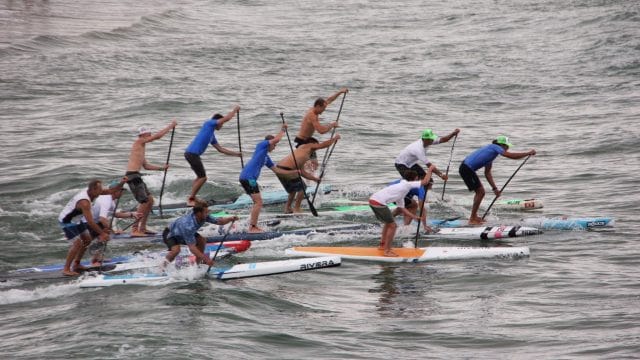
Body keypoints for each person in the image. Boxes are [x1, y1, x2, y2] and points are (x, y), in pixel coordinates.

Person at [459, 135, 536, 225]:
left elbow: (487, 173)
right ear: (502, 145)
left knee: (480, 192)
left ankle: (474, 217)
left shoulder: (491, 154)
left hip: (467, 168)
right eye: (507, 146)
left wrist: (495, 189)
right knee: (480, 192)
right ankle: (472, 219)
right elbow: (509, 155)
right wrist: (527, 153)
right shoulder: (495, 147)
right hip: (466, 168)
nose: (507, 148)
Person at [57, 178, 126, 276]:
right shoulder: (84, 202)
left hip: (78, 219)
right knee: (77, 243)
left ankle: (76, 264)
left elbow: (111, 191)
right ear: (93, 189)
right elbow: (90, 222)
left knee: (87, 240)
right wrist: (102, 233)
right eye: (99, 190)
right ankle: (66, 269)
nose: (101, 192)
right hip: (67, 221)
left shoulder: (92, 192)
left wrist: (122, 183)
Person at [239, 123, 300, 233]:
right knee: (258, 202)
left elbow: (277, 170)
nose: (275, 147)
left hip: (248, 178)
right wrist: (283, 130)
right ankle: (252, 227)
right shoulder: (261, 145)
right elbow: (276, 140)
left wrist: (293, 172)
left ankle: (252, 223)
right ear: (269, 143)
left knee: (257, 202)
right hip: (248, 178)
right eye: (274, 145)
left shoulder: (266, 157)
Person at [125, 120, 177, 236]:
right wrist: (170, 126)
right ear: (142, 135)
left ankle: (142, 228)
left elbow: (146, 166)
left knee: (150, 200)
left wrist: (161, 168)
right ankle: (134, 229)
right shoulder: (139, 141)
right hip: (132, 175)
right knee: (144, 202)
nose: (150, 135)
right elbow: (157, 137)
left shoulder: (141, 147)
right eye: (148, 133)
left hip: (136, 175)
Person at [369, 166, 434, 257]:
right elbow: (425, 182)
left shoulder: (402, 188)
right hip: (378, 203)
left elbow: (401, 208)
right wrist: (430, 169)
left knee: (389, 223)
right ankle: (387, 251)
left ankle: (382, 246)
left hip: (373, 200)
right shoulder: (407, 185)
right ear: (413, 179)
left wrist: (414, 216)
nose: (417, 180)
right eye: (416, 179)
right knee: (393, 226)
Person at [184, 105, 243, 206]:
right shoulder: (209, 123)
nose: (222, 125)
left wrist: (236, 154)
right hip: (192, 154)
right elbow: (226, 119)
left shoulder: (211, 135)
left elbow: (220, 149)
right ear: (217, 121)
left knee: (199, 177)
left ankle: (191, 197)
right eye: (221, 123)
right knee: (203, 178)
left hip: (192, 154)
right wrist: (234, 111)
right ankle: (191, 199)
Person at [275, 134, 341, 213]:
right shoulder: (307, 146)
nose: (317, 148)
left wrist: (315, 179)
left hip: (279, 169)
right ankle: (297, 208)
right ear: (312, 143)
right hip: (287, 169)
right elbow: (323, 145)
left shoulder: (303, 153)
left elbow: (303, 172)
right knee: (302, 187)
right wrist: (334, 139)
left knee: (293, 190)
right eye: (316, 145)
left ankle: (287, 208)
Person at [162, 200, 238, 268]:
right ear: (199, 213)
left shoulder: (203, 216)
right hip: (170, 233)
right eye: (206, 212)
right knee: (176, 251)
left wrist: (230, 218)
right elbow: (192, 248)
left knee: (202, 240)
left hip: (183, 233)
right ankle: (162, 267)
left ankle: (196, 266)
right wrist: (206, 259)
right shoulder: (188, 226)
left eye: (207, 211)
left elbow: (219, 221)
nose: (207, 213)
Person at [87, 183, 141, 266]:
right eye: (120, 191)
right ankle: (94, 261)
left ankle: (97, 257)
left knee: (104, 235)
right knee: (104, 235)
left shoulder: (110, 200)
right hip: (89, 222)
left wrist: (132, 214)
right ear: (114, 191)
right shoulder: (106, 200)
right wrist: (111, 231)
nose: (122, 193)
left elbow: (116, 214)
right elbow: (102, 218)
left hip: (96, 221)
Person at [394, 128, 460, 184]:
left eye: (432, 139)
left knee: (429, 181)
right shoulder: (418, 149)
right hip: (401, 164)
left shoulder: (428, 141)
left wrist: (453, 134)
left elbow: (443, 140)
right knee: (412, 181)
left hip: (411, 164)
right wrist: (441, 175)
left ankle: (425, 197)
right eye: (430, 139)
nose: (432, 140)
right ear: (425, 139)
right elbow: (429, 166)